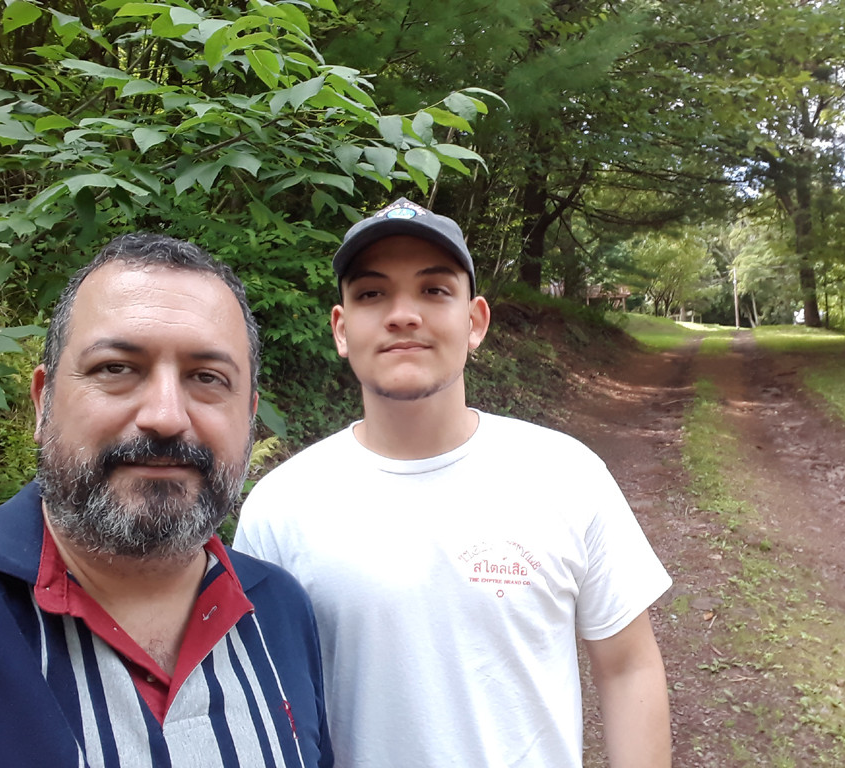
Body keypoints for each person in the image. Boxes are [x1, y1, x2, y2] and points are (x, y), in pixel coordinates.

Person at [233, 198, 673, 767]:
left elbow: (629, 666)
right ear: (341, 329)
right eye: (371, 294)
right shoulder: (280, 508)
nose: (403, 314)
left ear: (475, 322)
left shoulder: (566, 475)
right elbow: (261, 707)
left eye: (434, 290)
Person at [0, 233, 333, 768]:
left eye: (207, 378)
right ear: (43, 404)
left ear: (249, 417)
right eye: (116, 368)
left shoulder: (280, 611)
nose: (165, 415)